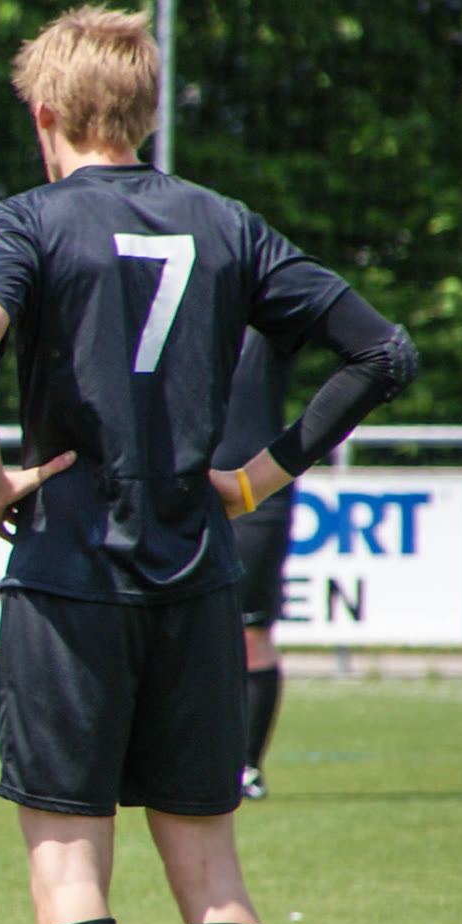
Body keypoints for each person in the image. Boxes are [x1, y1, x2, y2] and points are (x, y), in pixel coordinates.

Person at [0, 7, 415, 924]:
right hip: (195, 580)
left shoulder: (23, 222)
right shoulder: (224, 224)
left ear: (45, 113)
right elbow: (378, 352)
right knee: (211, 879)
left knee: (67, 867)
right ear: (143, 113)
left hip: (68, 578)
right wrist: (257, 476)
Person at [216, 331, 299, 801]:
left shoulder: (267, 321)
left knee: (250, 632)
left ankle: (246, 765)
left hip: (256, 493)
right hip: (177, 486)